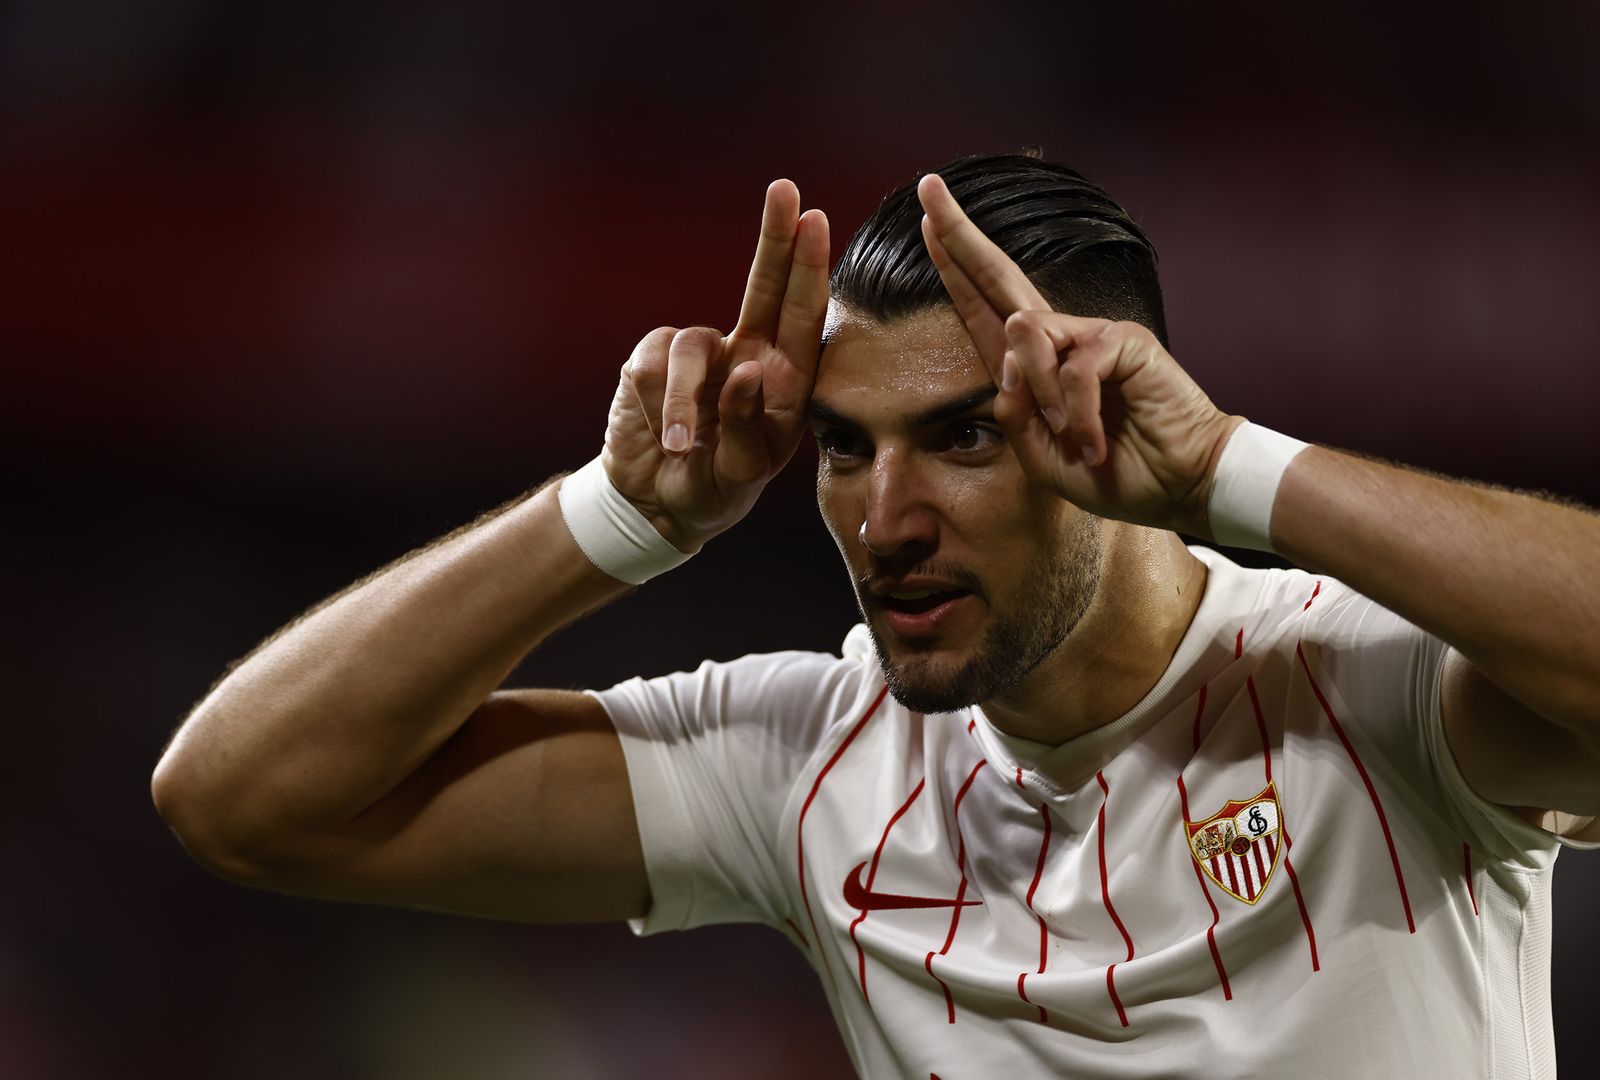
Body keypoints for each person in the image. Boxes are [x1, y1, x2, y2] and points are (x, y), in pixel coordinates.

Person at [152, 152, 1600, 1078]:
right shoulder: (803, 767)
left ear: (1107, 416)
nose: (885, 519)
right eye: (846, 447)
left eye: (965, 439)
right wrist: (615, 520)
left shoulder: (1369, 689)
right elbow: (247, 799)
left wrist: (1239, 471)